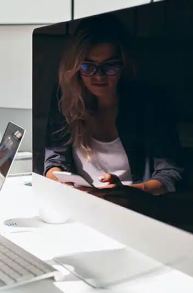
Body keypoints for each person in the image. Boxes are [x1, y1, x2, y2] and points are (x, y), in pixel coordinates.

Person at [44, 14, 184, 196]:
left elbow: (170, 175)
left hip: (134, 208)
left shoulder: (150, 104)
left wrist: (126, 192)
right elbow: (54, 161)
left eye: (110, 66)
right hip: (80, 204)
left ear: (124, 64)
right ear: (76, 67)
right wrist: (59, 183)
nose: (99, 76)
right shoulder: (65, 99)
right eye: (88, 67)